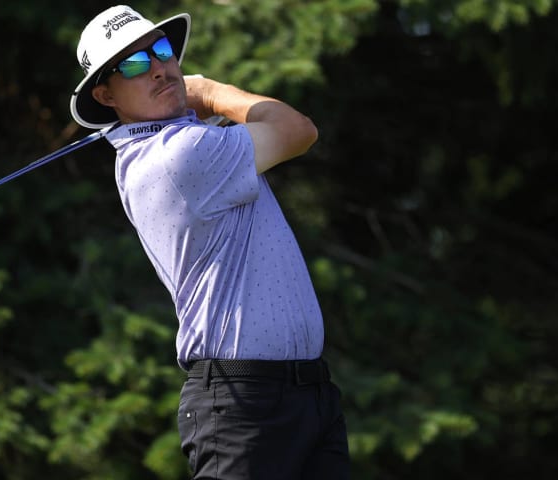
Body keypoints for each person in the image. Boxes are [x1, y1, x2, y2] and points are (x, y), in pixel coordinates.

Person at [70, 5, 349, 479]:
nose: (159, 67)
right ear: (105, 95)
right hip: (245, 406)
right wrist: (210, 91)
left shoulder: (184, 139)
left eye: (160, 51)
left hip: (307, 395)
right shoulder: (175, 156)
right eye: (134, 65)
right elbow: (299, 130)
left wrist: (193, 105)